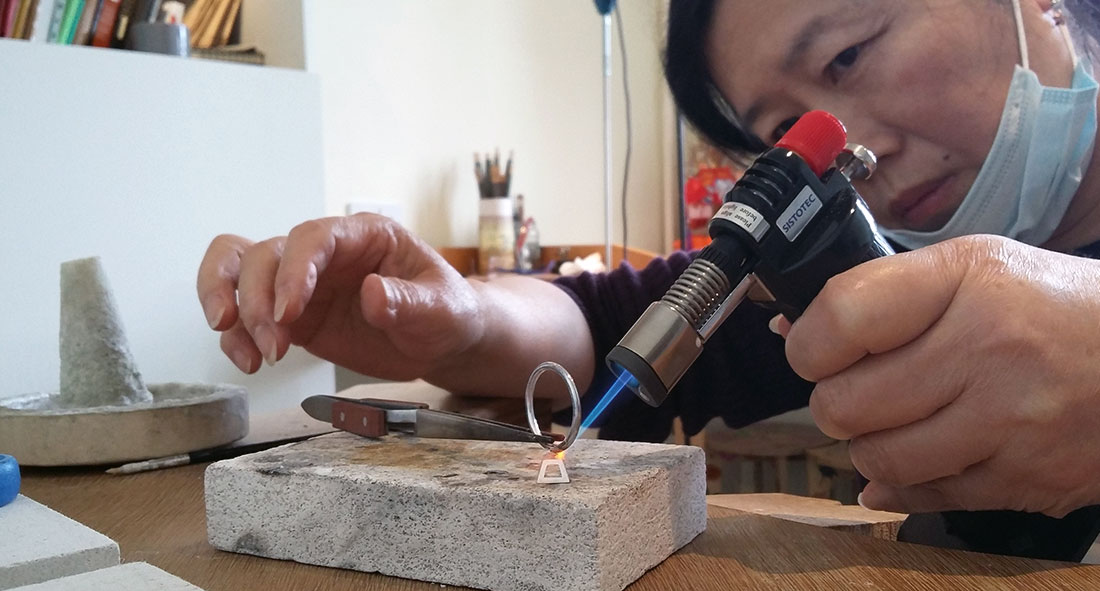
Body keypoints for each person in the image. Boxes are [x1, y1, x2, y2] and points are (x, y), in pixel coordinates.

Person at [197, 0, 1100, 524]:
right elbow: (604, 321)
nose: (852, 144)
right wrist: (457, 317)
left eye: (849, 53)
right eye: (782, 133)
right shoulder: (854, 273)